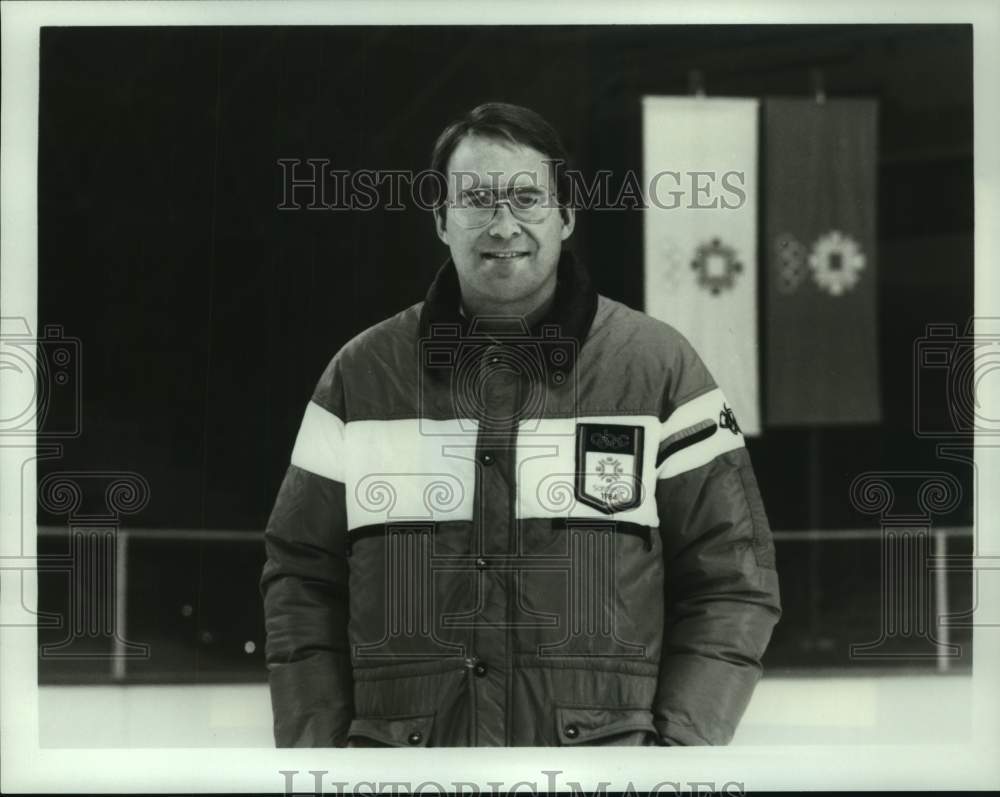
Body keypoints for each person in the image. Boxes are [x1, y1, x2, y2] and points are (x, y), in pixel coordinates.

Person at [259, 102, 781, 747]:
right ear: (441, 220)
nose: (503, 225)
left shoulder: (659, 370)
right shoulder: (359, 378)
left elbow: (734, 577)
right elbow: (299, 578)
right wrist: (326, 758)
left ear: (564, 217)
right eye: (477, 199)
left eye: (526, 199)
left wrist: (674, 755)